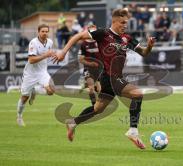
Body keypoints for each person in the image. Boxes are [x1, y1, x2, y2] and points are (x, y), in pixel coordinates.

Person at [53, 8, 155, 149]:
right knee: (137, 94)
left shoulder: (127, 38)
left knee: (97, 109)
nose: (125, 25)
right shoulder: (103, 33)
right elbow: (77, 37)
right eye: (122, 23)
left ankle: (73, 122)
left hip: (110, 79)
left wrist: (149, 46)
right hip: (111, 77)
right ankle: (133, 131)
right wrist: (63, 52)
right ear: (114, 21)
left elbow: (143, 53)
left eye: (127, 23)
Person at [17, 24, 56, 126]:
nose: (45, 33)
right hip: (30, 74)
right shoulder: (33, 43)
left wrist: (55, 55)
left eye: (46, 31)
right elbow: (31, 60)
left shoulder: (50, 42)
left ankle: (35, 91)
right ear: (38, 32)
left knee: (51, 90)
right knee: (25, 97)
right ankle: (19, 116)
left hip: (42, 72)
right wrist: (46, 55)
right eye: (42, 31)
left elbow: (49, 54)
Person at [79, 25, 101, 106]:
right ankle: (94, 106)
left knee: (99, 89)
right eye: (92, 32)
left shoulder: (99, 42)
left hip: (99, 69)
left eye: (95, 32)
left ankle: (99, 105)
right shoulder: (84, 44)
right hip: (88, 69)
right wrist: (90, 63)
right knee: (91, 89)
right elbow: (81, 59)